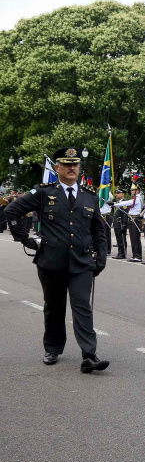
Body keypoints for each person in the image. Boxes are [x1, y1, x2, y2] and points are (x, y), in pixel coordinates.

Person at [4, 147, 109, 373]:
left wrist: (101, 257)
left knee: (82, 306)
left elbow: (98, 230)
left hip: (81, 262)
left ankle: (89, 354)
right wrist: (25, 239)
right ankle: (52, 348)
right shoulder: (43, 193)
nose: (72, 168)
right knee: (54, 306)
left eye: (75, 164)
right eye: (67, 164)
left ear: (79, 168)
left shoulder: (90, 196)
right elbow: (11, 210)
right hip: (51, 261)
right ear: (58, 168)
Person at [112, 182, 144, 262]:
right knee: (133, 239)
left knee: (135, 239)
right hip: (133, 219)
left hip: (135, 219)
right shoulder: (135, 198)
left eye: (133, 190)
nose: (131, 191)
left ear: (137, 190)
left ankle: (137, 256)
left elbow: (128, 203)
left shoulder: (137, 198)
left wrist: (114, 204)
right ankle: (135, 255)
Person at [111, 188, 128, 259]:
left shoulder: (124, 202)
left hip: (120, 223)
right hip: (117, 223)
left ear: (122, 194)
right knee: (118, 239)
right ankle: (120, 252)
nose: (116, 195)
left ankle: (122, 253)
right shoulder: (118, 202)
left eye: (118, 193)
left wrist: (124, 224)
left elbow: (125, 214)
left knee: (121, 239)